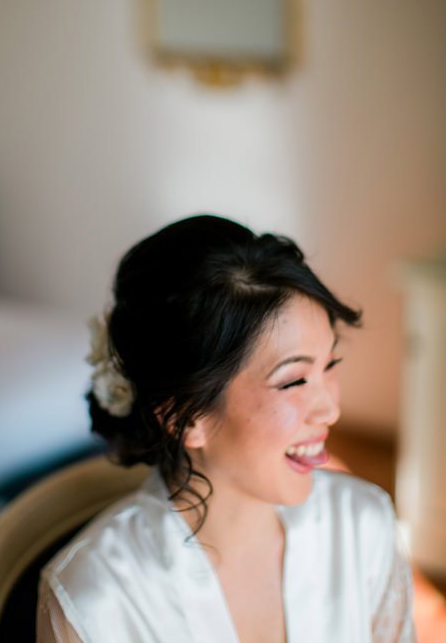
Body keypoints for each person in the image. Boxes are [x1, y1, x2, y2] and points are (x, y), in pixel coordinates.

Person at [37, 215, 415, 643]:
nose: (330, 410)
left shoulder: (363, 525)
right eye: (294, 381)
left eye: (330, 365)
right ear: (187, 417)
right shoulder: (95, 602)